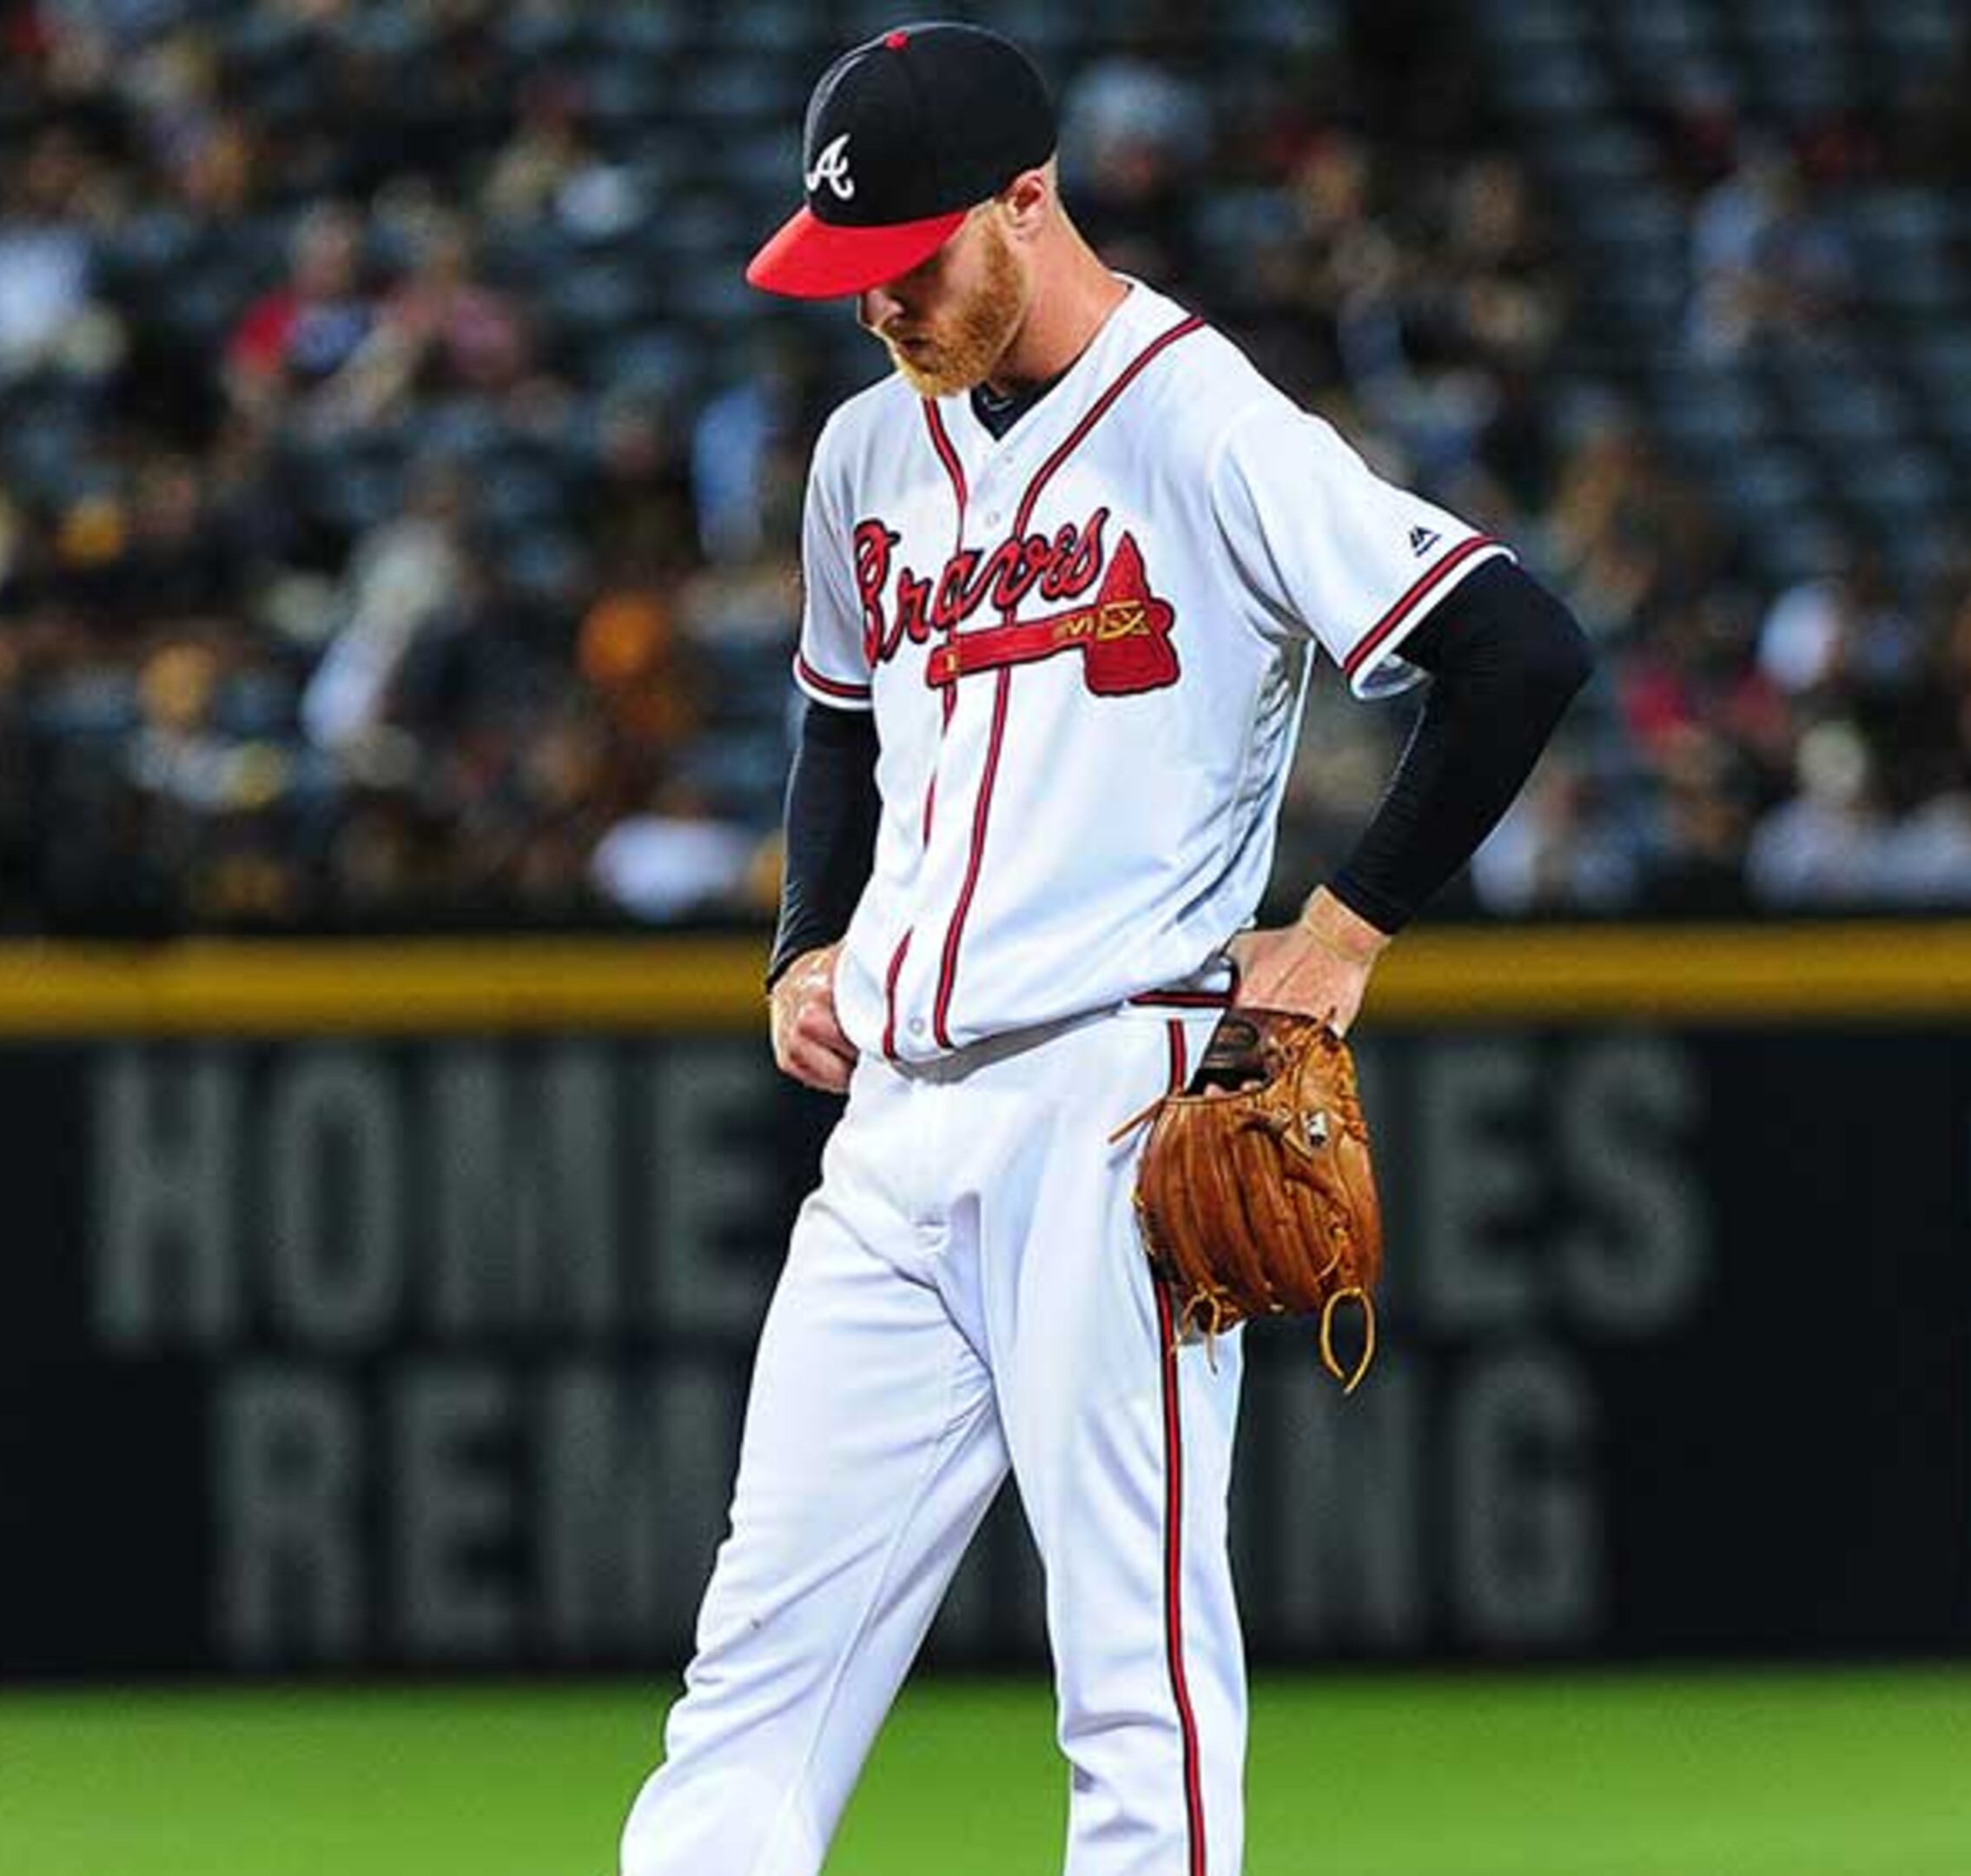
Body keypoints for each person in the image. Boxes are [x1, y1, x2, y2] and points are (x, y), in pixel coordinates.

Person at [618, 26, 1591, 1876]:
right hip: (893, 1132)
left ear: (1029, 204)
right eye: (850, 274)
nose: (882, 304)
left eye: (911, 260)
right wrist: (803, 940)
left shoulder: (1203, 423)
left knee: (1135, 1688)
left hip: (1113, 1100)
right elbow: (835, 715)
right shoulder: (860, 454)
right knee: (749, 1685)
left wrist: (1344, 928)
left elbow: (1517, 650)